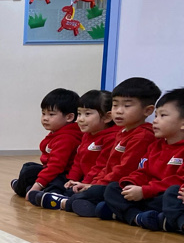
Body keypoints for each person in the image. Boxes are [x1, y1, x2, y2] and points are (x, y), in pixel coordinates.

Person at [68, 77, 160, 217]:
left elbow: (124, 169)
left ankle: (65, 203)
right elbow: (107, 165)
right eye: (115, 105)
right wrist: (93, 183)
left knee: (101, 191)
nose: (118, 111)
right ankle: (99, 206)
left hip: (122, 185)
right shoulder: (122, 132)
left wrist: (95, 186)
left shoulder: (143, 136)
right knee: (81, 190)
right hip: (109, 183)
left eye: (127, 106)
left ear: (147, 111)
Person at [105, 88, 184, 229]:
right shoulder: (155, 145)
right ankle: (139, 217)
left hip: (161, 196)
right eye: (156, 115)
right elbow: (143, 171)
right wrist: (130, 183)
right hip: (147, 194)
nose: (155, 121)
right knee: (113, 189)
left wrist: (144, 191)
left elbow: (178, 181)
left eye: (163, 116)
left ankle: (132, 215)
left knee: (172, 194)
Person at [40, 90, 117, 210]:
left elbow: (101, 166)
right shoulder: (86, 135)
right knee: (35, 171)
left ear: (107, 117)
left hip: (96, 182)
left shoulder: (112, 138)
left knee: (97, 192)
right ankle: (60, 197)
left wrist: (85, 183)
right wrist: (72, 179)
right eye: (79, 114)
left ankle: (65, 202)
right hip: (84, 180)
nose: (80, 119)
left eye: (87, 114)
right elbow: (78, 161)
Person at [11, 88, 82, 204]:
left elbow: (55, 167)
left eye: (51, 114)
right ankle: (25, 187)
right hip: (53, 171)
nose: (45, 118)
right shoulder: (58, 132)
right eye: (43, 113)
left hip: (63, 175)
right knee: (29, 167)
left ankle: (25, 189)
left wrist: (37, 186)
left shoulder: (66, 138)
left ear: (69, 117)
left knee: (30, 172)